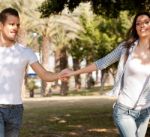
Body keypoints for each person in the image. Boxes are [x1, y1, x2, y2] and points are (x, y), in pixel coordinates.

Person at [61, 12, 150, 137]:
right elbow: (102, 63)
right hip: (124, 110)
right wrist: (74, 72)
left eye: (146, 22)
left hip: (145, 111)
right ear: (135, 27)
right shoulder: (126, 48)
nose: (142, 26)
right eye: (138, 23)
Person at [0, 7, 62, 137]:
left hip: (16, 109)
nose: (15, 28)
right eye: (11, 24)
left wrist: (60, 75)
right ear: (1, 25)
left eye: (17, 25)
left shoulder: (25, 52)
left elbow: (44, 74)